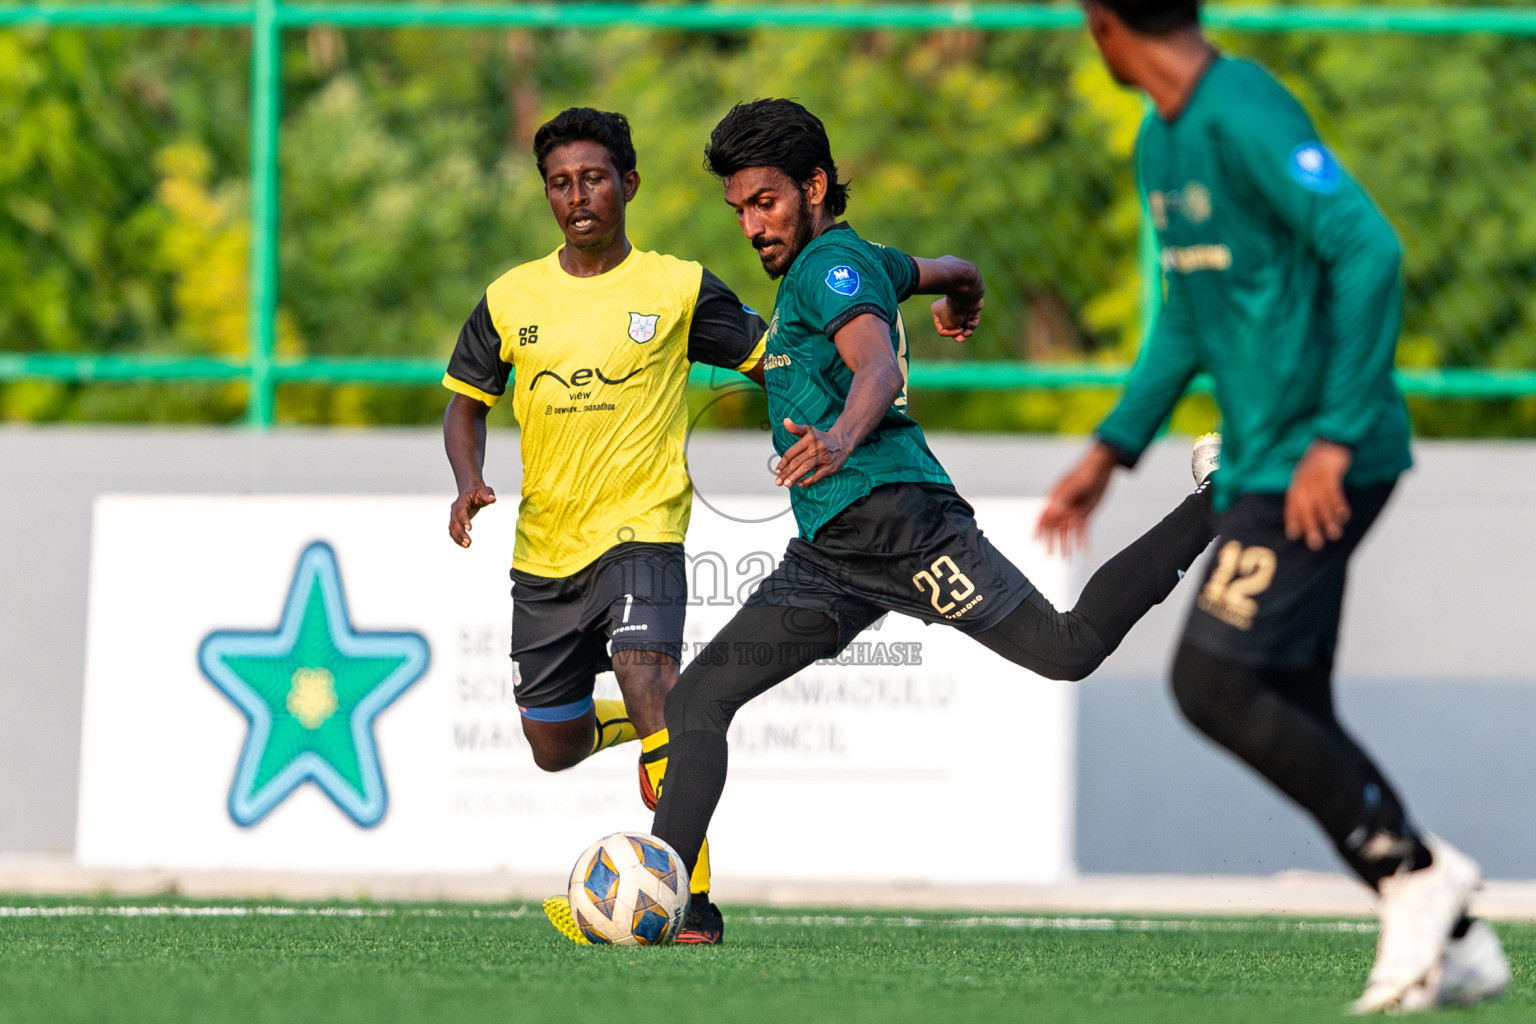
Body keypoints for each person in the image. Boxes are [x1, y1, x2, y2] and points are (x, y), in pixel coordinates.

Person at [649, 98, 1219, 944]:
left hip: (900, 525)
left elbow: (874, 362)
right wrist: (964, 292)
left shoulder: (829, 270)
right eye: (738, 209)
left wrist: (842, 436)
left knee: (1066, 649)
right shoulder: (866, 257)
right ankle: (676, 909)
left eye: (764, 201)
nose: (751, 226)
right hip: (833, 555)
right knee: (699, 699)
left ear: (813, 186)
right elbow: (949, 266)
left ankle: (1222, 496)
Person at [1038, 1, 1510, 1012]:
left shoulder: (1243, 108)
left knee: (1214, 680)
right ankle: (1456, 934)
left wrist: (1336, 438)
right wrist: (1109, 452)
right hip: (1263, 462)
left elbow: (1368, 248)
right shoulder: (1160, 146)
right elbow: (1187, 322)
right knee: (1286, 692)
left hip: (1327, 459)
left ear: (1106, 25)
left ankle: (1415, 877)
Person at [441, 107, 766, 944]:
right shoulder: (511, 298)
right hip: (546, 550)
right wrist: (469, 480)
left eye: (592, 178)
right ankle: (645, 717)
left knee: (648, 674)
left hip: (642, 531)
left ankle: (689, 900)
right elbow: (464, 406)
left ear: (628, 183)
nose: (576, 195)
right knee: (551, 746)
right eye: (559, 182)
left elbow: (775, 359)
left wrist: (838, 402)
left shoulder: (678, 288)